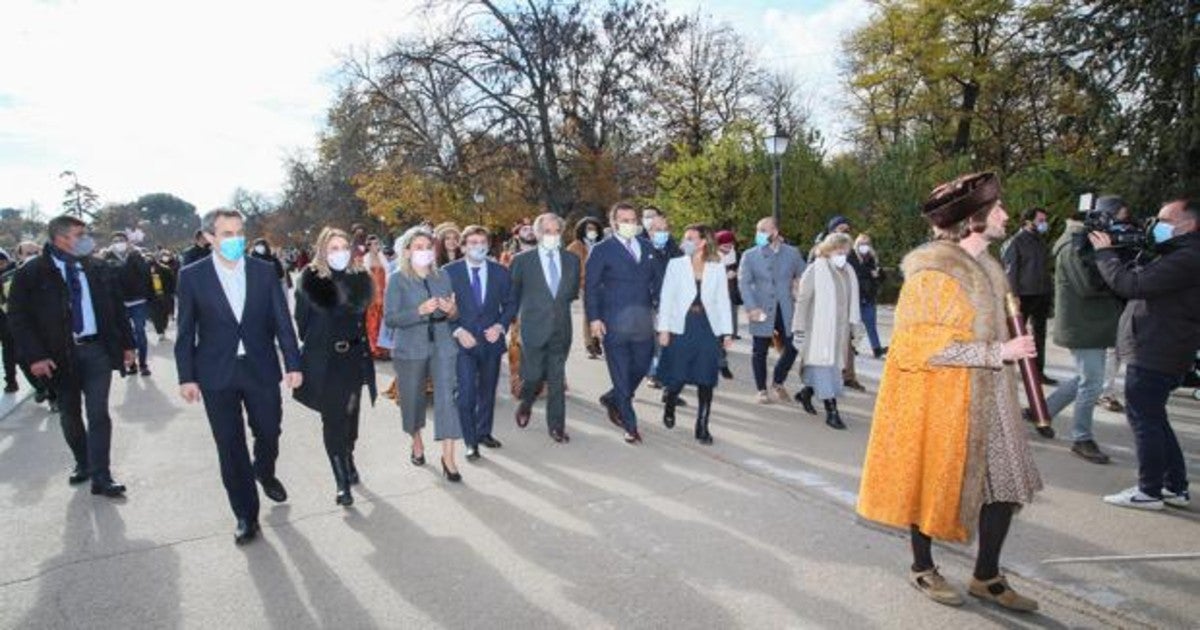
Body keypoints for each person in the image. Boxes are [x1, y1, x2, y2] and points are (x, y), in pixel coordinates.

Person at [857, 173, 1042, 611]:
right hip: (945, 399)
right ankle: (923, 567)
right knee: (933, 480)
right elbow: (918, 344)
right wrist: (999, 349)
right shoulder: (932, 274)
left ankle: (987, 575)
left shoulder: (992, 268)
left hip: (992, 395)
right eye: (997, 209)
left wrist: (1011, 344)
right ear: (973, 219)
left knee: (1006, 485)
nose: (1006, 216)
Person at [174, 208, 303, 545]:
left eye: (239, 232)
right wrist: (186, 376)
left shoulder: (263, 271)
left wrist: (293, 363)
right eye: (227, 233)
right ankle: (246, 514)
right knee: (230, 446)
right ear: (209, 238)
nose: (235, 239)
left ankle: (265, 469)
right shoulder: (192, 276)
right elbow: (185, 331)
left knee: (269, 430)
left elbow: (282, 321)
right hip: (217, 373)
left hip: (260, 367)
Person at [8, 215, 137, 497]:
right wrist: (36, 356)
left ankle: (102, 476)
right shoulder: (32, 273)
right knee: (70, 412)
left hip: (97, 351)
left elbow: (117, 309)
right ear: (61, 238)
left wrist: (127, 345)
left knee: (98, 412)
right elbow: (18, 318)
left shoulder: (97, 268)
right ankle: (83, 462)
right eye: (81, 234)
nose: (87, 239)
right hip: (58, 355)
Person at [1093, 198, 1200, 510]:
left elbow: (1130, 284)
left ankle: (1149, 490)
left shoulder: (1188, 258)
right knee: (1155, 420)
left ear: (1188, 225)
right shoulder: (1181, 254)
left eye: (1165, 219)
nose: (1156, 224)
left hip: (1157, 349)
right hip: (1162, 347)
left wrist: (1105, 254)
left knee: (1145, 422)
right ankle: (1174, 486)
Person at [293, 227, 376, 507]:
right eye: (333, 248)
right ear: (322, 251)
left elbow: (363, 322)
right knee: (333, 420)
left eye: (343, 247)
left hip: (353, 361)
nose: (339, 253)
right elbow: (301, 324)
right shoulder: (310, 279)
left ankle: (348, 453)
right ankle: (341, 481)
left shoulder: (359, 279)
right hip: (326, 363)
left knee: (351, 417)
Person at [1041, 196, 1128, 464]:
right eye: (1119, 220)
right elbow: (1088, 287)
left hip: (1091, 324)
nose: (1121, 227)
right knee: (1092, 382)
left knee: (1085, 378)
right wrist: (1122, 276)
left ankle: (1042, 411)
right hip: (1083, 326)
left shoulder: (1083, 240)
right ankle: (1081, 438)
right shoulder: (1072, 245)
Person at [384, 227, 464, 481]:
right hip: (410, 346)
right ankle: (416, 440)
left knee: (447, 399)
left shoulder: (443, 277)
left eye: (428, 247)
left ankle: (449, 457)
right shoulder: (397, 279)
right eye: (418, 247)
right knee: (412, 400)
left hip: (442, 344)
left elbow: (453, 315)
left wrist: (451, 311)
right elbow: (391, 319)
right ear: (407, 251)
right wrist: (418, 311)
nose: (424, 252)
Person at [587, 201, 665, 444]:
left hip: (642, 321)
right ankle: (629, 424)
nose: (631, 224)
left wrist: (663, 310)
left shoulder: (647, 247)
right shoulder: (602, 250)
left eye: (634, 220)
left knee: (642, 366)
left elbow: (658, 281)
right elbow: (590, 287)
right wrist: (594, 318)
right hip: (613, 322)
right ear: (614, 223)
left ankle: (613, 397)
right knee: (621, 373)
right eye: (625, 220)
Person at [657, 224, 733, 444]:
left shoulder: (716, 266)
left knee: (706, 377)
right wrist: (663, 329)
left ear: (702, 242)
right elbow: (667, 298)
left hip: (707, 327)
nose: (685, 242)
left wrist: (727, 333)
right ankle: (670, 402)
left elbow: (722, 301)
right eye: (685, 237)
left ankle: (702, 425)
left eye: (690, 238)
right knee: (678, 375)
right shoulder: (675, 265)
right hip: (681, 325)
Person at [445, 226, 516, 458]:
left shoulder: (500, 272)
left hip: (491, 342)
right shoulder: (448, 272)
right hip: (462, 344)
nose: (478, 246)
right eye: (472, 242)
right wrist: (456, 331)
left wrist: (500, 326)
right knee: (466, 395)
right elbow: (441, 309)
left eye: (482, 242)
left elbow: (510, 304)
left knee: (488, 391)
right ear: (463, 246)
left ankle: (484, 432)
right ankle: (470, 441)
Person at [511, 213, 581, 443]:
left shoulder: (571, 260)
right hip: (532, 328)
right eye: (547, 231)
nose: (552, 236)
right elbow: (514, 295)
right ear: (538, 233)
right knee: (532, 377)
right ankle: (526, 403)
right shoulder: (522, 261)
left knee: (556, 378)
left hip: (561, 329)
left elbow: (570, 293)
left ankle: (556, 426)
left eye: (556, 231)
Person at [792, 233, 861, 430]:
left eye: (846, 252)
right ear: (829, 251)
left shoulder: (849, 272)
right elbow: (803, 301)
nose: (843, 256)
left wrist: (855, 327)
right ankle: (832, 411)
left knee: (830, 369)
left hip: (839, 332)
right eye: (839, 252)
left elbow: (851, 303)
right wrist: (799, 329)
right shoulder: (815, 270)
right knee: (824, 370)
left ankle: (806, 393)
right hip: (818, 331)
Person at [738, 217, 806, 404]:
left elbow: (804, 274)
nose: (758, 234)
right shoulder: (750, 255)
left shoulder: (792, 253)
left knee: (794, 345)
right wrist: (751, 307)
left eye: (763, 230)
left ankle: (778, 379)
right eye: (758, 230)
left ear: (775, 232)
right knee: (759, 350)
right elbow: (744, 283)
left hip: (786, 308)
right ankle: (761, 389)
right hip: (761, 308)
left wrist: (798, 287)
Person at [1001, 207, 1056, 385]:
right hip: (1023, 296)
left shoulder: (1040, 241)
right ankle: (1003, 370)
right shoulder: (1015, 242)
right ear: (1027, 221)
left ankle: (1038, 372)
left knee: (1039, 336)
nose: (1044, 224)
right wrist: (1013, 296)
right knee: (1015, 335)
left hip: (1041, 295)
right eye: (1040, 220)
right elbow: (1010, 272)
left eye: (1044, 220)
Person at [105, 231, 153, 376]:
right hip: (119, 303)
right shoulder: (107, 258)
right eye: (115, 240)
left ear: (127, 242)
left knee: (140, 331)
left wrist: (136, 257)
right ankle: (131, 363)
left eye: (121, 240)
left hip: (138, 300)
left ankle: (143, 363)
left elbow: (145, 274)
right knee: (125, 334)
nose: (118, 242)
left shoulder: (136, 255)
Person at [565, 216, 604, 360]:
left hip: (603, 284)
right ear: (582, 230)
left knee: (601, 313)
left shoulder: (602, 244)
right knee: (589, 313)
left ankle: (597, 340)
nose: (592, 231)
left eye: (594, 228)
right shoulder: (576, 246)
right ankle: (590, 345)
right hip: (585, 284)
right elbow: (569, 265)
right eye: (588, 228)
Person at [848, 233, 887, 359]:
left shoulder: (872, 258)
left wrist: (879, 274)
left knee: (871, 323)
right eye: (861, 244)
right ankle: (850, 347)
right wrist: (870, 273)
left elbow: (881, 276)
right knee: (854, 325)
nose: (864, 247)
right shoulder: (852, 256)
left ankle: (876, 349)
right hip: (855, 296)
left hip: (869, 295)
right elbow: (855, 272)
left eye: (866, 244)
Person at [362, 234, 390, 360]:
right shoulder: (366, 259)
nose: (374, 246)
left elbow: (388, 275)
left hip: (384, 293)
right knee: (372, 321)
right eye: (371, 244)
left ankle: (383, 348)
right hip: (372, 294)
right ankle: (373, 348)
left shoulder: (382, 258)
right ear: (367, 246)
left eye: (377, 244)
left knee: (383, 322)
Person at [147, 250, 177, 341]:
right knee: (158, 315)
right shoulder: (145, 271)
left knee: (162, 314)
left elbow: (172, 281)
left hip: (162, 295)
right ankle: (160, 331)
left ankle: (162, 329)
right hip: (156, 296)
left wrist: (172, 292)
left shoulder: (165, 268)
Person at [0, 249, 19, 392]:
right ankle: (11, 380)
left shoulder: (15, 272)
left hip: (16, 316)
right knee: (8, 351)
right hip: (4, 319)